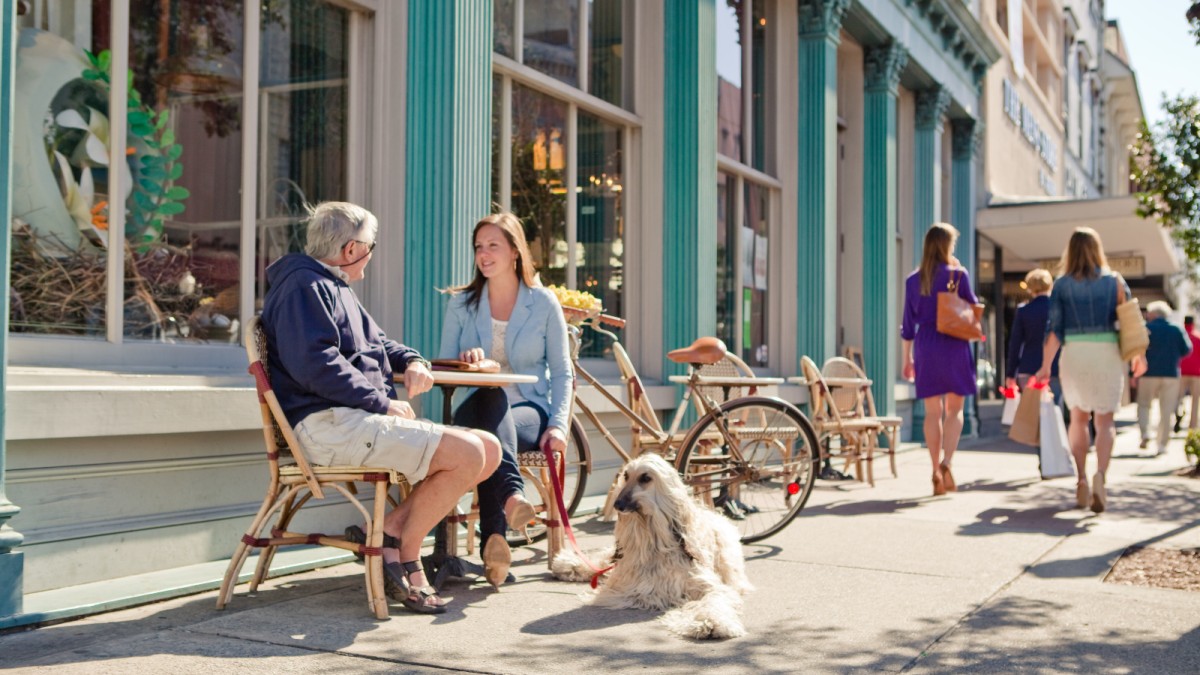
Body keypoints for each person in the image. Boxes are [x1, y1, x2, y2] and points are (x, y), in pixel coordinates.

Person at [260, 201, 502, 614]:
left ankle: (387, 531)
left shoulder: (333, 287)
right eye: (371, 246)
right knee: (468, 453)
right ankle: (405, 556)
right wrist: (382, 402)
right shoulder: (305, 287)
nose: (372, 255)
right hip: (327, 426)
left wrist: (412, 361)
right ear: (352, 249)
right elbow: (315, 364)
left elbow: (381, 343)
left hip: (350, 420)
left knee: (489, 448)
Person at [439, 212, 572, 588]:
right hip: (475, 406)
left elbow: (562, 372)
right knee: (490, 392)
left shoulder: (544, 303)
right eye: (479, 247)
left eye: (493, 245)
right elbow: (443, 368)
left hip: (529, 408)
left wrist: (559, 424)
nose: (484, 254)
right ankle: (513, 496)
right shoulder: (462, 304)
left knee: (491, 436)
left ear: (515, 250)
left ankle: (493, 540)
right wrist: (467, 365)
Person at [1036, 227, 1147, 514]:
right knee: (1105, 420)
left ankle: (1082, 479)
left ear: (1069, 251)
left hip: (1075, 353)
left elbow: (1054, 331)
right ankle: (1101, 476)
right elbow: (1131, 322)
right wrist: (1138, 355)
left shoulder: (1060, 285)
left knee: (1078, 418)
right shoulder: (1115, 282)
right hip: (1107, 353)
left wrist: (1045, 367)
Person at [902, 222, 978, 497]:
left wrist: (907, 358)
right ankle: (947, 462)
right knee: (954, 411)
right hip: (955, 344)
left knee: (932, 412)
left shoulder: (914, 280)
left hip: (927, 346)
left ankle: (934, 469)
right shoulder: (958, 275)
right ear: (948, 246)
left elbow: (907, 325)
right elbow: (973, 308)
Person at [1134, 301, 1192, 456]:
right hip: (1171, 374)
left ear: (1153, 314)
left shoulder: (1146, 329)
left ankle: (1145, 433)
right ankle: (1162, 445)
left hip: (1148, 374)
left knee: (1144, 405)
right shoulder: (1176, 329)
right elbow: (1186, 350)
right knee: (1167, 410)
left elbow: (1135, 350)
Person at [1005, 268, 1062, 404]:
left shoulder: (1023, 311)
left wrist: (1010, 374)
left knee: (1030, 413)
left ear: (1030, 288)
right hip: (1055, 367)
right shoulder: (1057, 309)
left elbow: (1015, 344)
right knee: (1053, 412)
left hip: (1028, 368)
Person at [1175, 316, 1200, 431]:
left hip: (1181, 372)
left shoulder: (1180, 336)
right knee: (1195, 401)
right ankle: (1193, 426)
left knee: (1179, 398)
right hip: (1196, 374)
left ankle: (1179, 414)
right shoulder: (1198, 337)